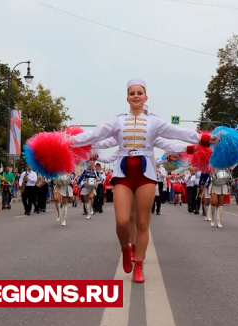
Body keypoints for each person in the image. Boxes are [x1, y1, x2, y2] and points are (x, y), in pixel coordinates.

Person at [68, 79, 214, 283]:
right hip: (123, 172)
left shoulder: (154, 121)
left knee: (143, 222)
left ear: (146, 97)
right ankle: (125, 249)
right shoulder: (117, 121)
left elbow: (176, 132)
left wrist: (203, 139)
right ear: (127, 97)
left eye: (139, 93)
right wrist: (67, 142)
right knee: (121, 220)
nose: (136, 96)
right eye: (132, 93)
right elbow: (94, 133)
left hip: (146, 174)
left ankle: (139, 265)